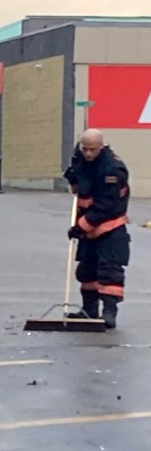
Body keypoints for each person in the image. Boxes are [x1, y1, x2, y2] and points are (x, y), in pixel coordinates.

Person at [63, 128, 130, 328]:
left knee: (110, 272)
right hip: (88, 227)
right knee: (87, 270)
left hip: (110, 227)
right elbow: (78, 180)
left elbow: (105, 206)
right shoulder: (80, 157)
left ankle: (109, 312)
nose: (88, 153)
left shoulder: (112, 169)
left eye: (93, 149)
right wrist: (73, 178)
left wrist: (79, 227)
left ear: (102, 147)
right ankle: (89, 310)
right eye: (85, 149)